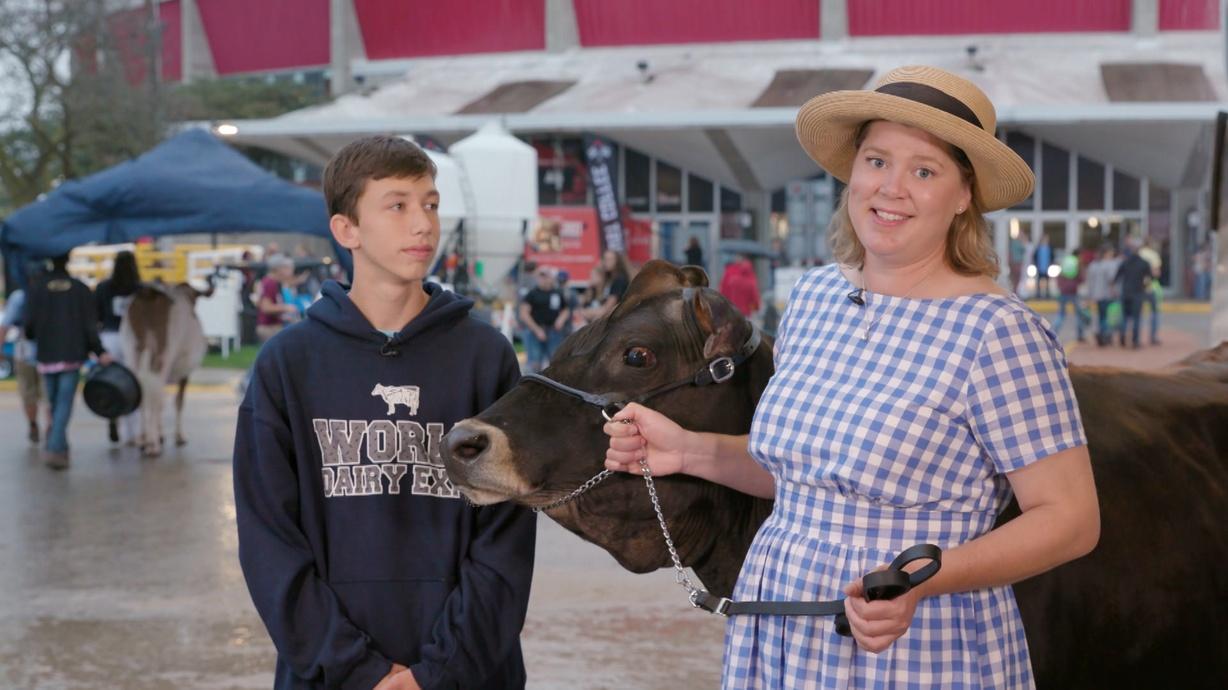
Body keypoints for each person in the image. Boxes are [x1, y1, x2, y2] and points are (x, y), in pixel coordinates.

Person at [604, 66, 1099, 688]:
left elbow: (1071, 519)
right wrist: (687, 449)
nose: (891, 188)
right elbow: (810, 475)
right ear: (852, 172)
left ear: (964, 194)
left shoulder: (996, 333)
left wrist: (924, 579)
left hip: (917, 641)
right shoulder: (815, 298)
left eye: (924, 170)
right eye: (876, 160)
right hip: (783, 623)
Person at [233, 135, 535, 690]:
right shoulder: (288, 364)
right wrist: (354, 669)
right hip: (329, 675)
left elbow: (506, 538)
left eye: (431, 204)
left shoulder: (484, 357)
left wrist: (438, 672)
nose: (422, 224)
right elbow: (269, 542)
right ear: (347, 229)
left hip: (468, 673)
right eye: (397, 205)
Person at [24, 254, 113, 469]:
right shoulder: (80, 289)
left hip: (46, 355)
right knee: (63, 402)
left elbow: (29, 327)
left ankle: (59, 447)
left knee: (54, 403)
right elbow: (90, 326)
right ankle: (55, 447)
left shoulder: (37, 289)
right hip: (72, 354)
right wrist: (98, 351)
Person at [95, 250, 141, 444]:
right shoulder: (139, 289)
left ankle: (113, 417)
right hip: (133, 340)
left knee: (111, 384)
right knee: (133, 385)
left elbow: (95, 316)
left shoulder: (104, 287)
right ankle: (133, 433)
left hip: (109, 337)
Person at [0, 263, 46, 445]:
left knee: (29, 393)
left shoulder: (19, 297)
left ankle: (33, 424)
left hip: (24, 351)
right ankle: (50, 427)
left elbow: (5, 326)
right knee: (49, 395)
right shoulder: (47, 295)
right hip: (48, 352)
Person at [518, 265, 570, 374]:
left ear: (551, 278)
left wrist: (560, 320)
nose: (544, 279)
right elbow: (524, 313)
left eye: (546, 276)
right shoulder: (532, 294)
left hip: (554, 332)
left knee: (555, 361)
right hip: (536, 332)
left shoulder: (557, 293)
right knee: (535, 363)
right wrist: (537, 330)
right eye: (541, 276)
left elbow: (565, 310)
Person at [1114, 238, 1152, 349]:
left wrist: (1114, 288)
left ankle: (1123, 337)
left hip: (1126, 293)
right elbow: (1149, 278)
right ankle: (1135, 341)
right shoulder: (1144, 263)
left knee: (1125, 317)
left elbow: (1117, 277)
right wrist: (1145, 287)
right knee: (1136, 318)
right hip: (1138, 293)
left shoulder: (1125, 262)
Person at [255, 254, 301, 344]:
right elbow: (266, 308)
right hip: (269, 328)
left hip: (269, 327)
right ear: (278, 269)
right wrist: (287, 307)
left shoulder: (270, 281)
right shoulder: (270, 282)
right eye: (284, 267)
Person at [1051, 249, 1090, 343]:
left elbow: (1059, 276)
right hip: (1073, 292)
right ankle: (1080, 335)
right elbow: (1082, 279)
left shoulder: (1065, 261)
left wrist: (1061, 286)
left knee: (1061, 314)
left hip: (1063, 292)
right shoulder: (1077, 263)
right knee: (1078, 314)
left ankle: (1052, 334)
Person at [1085, 245, 1121, 346]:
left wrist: (1090, 295)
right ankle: (1105, 336)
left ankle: (1100, 333)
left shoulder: (1093, 265)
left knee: (1101, 315)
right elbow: (1112, 280)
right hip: (1107, 294)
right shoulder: (1110, 265)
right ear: (1107, 253)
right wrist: (1115, 292)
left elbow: (1090, 282)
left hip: (1097, 295)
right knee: (1107, 317)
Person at [718, 253, 761, 317]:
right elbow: (755, 302)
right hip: (745, 313)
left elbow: (723, 291)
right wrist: (752, 308)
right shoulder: (751, 281)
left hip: (732, 311)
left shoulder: (732, 277)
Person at [1137, 237, 1162, 345]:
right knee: (1154, 312)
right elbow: (1156, 273)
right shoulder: (1153, 255)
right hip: (1152, 287)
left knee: (1138, 313)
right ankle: (1153, 337)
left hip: (1138, 287)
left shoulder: (1138, 254)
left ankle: (1137, 338)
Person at [1031, 234, 1052, 299]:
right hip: (1040, 267)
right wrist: (1036, 264)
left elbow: (1052, 256)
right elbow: (1035, 256)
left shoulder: (1049, 248)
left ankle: (1047, 293)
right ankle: (1038, 293)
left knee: (1047, 281)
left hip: (1046, 267)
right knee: (1039, 281)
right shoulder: (1038, 248)